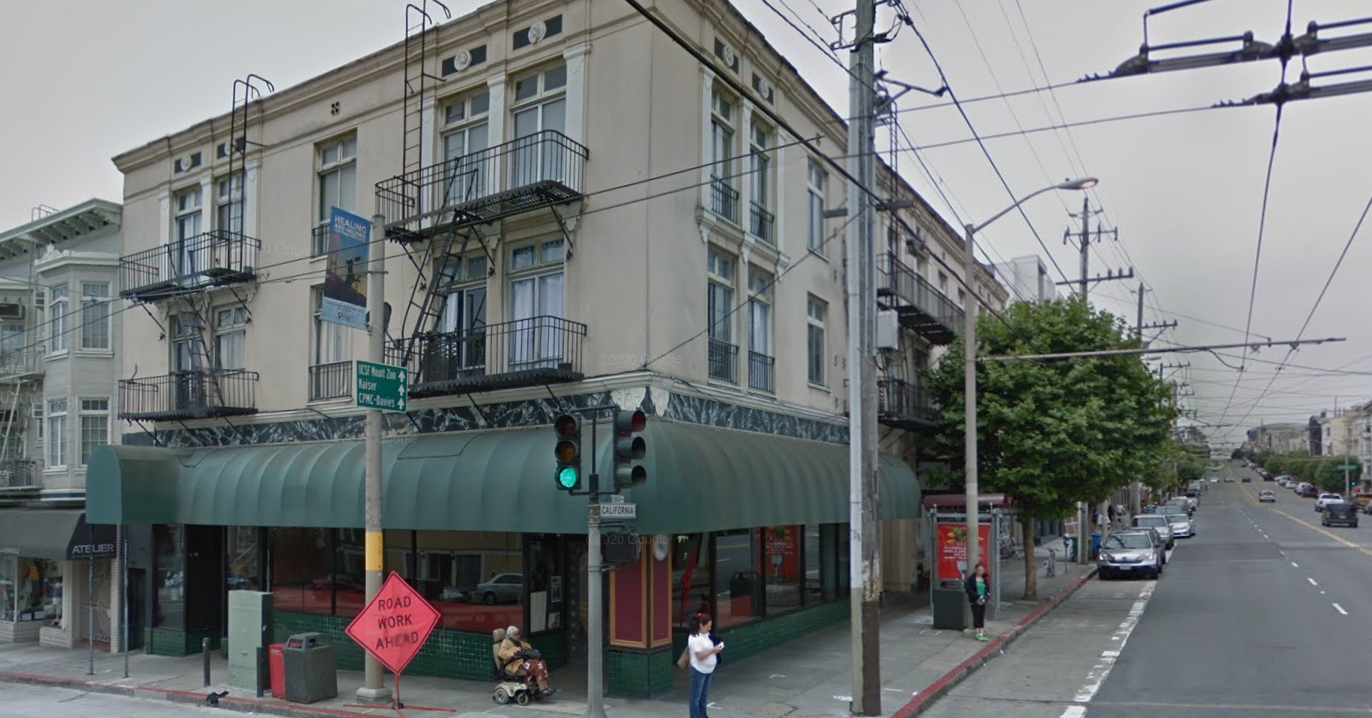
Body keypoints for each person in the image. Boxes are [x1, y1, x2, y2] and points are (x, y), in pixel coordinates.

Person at [499, 626, 555, 696]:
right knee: (536, 665)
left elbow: (527, 646)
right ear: (510, 635)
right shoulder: (506, 642)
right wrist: (514, 651)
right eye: (516, 634)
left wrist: (526, 647)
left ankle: (545, 685)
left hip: (523, 661)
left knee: (542, 662)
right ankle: (542, 688)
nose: (518, 636)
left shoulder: (518, 641)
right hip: (515, 664)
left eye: (518, 634)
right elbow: (501, 653)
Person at [687, 612, 723, 718]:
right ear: (701, 625)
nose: (710, 628)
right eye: (708, 626)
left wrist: (719, 644)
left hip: (708, 670)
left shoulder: (706, 634)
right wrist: (713, 650)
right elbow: (700, 656)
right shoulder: (694, 638)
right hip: (698, 671)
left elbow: (713, 640)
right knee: (695, 697)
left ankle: (703, 715)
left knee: (704, 696)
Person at [963, 563, 990, 642]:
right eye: (979, 570)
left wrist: (986, 596)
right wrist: (978, 596)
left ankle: (981, 633)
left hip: (982, 600)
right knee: (976, 616)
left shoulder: (984, 578)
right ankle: (978, 633)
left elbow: (987, 588)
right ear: (976, 570)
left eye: (982, 570)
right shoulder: (972, 578)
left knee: (981, 616)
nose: (981, 571)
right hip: (975, 600)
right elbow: (968, 590)